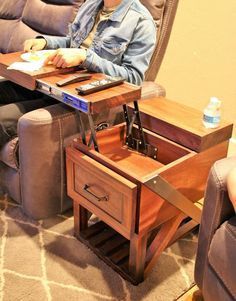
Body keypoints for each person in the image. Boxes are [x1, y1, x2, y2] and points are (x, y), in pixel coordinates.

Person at [0, 0, 156, 147]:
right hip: (54, 84)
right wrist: (47, 42)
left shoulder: (141, 22)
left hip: (79, 100)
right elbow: (73, 42)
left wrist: (85, 57)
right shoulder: (91, 4)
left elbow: (134, 79)